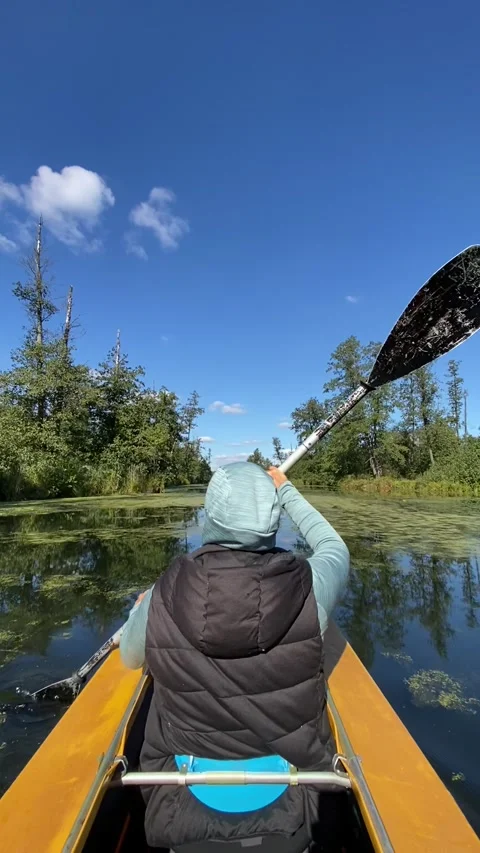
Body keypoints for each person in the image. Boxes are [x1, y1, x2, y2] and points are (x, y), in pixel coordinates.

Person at [120, 462, 350, 852]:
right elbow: (334, 546)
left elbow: (130, 658)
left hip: (180, 799)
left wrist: (140, 609)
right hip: (296, 800)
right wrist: (286, 489)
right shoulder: (312, 585)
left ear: (210, 516)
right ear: (272, 519)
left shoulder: (164, 591)